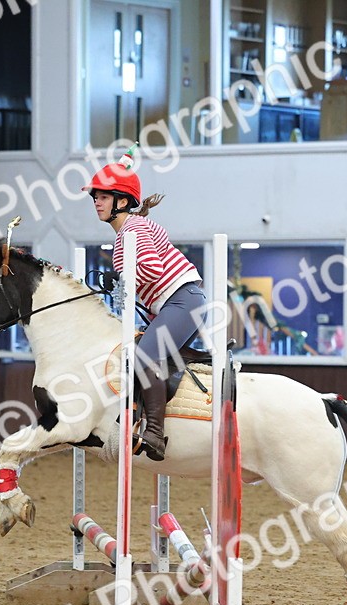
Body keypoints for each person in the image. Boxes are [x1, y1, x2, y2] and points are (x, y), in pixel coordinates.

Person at [83, 147, 206, 462]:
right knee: (142, 356)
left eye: (102, 196)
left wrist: (121, 278)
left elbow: (150, 270)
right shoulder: (129, 230)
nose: (96, 201)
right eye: (94, 196)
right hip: (177, 303)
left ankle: (153, 433)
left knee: (144, 357)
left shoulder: (133, 229)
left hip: (181, 301)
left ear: (121, 201)